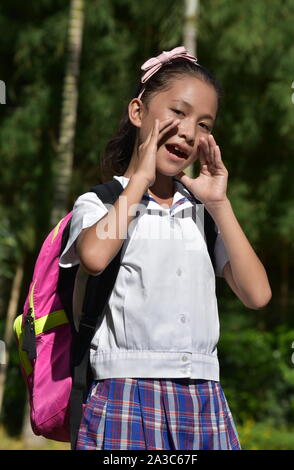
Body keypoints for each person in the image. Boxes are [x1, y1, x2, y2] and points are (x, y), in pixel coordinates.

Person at [59, 46, 272, 450]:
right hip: (125, 394)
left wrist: (220, 203)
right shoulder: (102, 202)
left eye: (205, 124)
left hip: (204, 397)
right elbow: (94, 256)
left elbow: (258, 294)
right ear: (138, 112)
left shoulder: (202, 214)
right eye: (178, 112)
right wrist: (137, 180)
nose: (190, 132)